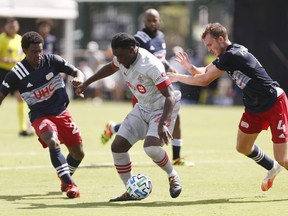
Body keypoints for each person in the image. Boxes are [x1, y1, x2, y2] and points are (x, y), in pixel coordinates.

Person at [168, 22, 288, 191]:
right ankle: (272, 167)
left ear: (221, 39)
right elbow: (203, 72)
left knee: (283, 158)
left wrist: (178, 77)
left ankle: (278, 164)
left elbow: (204, 80)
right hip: (254, 106)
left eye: (210, 44)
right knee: (243, 147)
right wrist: (189, 68)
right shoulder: (227, 54)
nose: (209, 49)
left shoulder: (233, 55)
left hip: (274, 103)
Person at [75, 32, 182, 201]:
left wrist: (162, 124)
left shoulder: (151, 65)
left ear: (133, 49)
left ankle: (172, 175)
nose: (118, 60)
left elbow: (171, 96)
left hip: (161, 109)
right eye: (116, 55)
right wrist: (87, 83)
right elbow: (110, 67)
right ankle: (130, 190)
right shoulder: (121, 57)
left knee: (151, 149)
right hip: (142, 107)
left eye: (121, 56)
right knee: (117, 147)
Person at [101, 8, 193, 166]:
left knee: (175, 117)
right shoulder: (138, 39)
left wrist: (169, 66)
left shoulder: (160, 36)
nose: (153, 23)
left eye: (155, 20)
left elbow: (160, 58)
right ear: (144, 21)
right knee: (141, 124)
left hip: (160, 84)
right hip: (144, 88)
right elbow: (140, 60)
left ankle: (176, 158)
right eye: (149, 20)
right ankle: (115, 128)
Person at [0, 31, 85, 198]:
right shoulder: (16, 74)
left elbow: (77, 72)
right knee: (52, 141)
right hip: (40, 116)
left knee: (79, 153)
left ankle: (64, 177)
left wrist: (79, 80)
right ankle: (70, 184)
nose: (38, 55)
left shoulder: (52, 60)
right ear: (24, 51)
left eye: (40, 50)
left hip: (61, 112)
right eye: (34, 52)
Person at [0, 17, 32, 136]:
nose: (12, 28)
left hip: (16, 72)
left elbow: (23, 55)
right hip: (2, 71)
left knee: (20, 97)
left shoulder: (20, 39)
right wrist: (5, 60)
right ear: (6, 27)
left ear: (17, 27)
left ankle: (23, 128)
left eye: (14, 26)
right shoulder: (1, 39)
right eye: (10, 26)